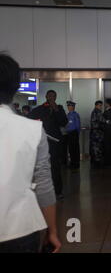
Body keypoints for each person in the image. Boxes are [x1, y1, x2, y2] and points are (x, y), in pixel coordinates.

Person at [0, 54, 61, 253]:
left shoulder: (56, 110)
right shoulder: (32, 129)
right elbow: (44, 183)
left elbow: (64, 122)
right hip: (21, 228)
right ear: (16, 87)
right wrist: (52, 231)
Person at [29, 90, 68, 199]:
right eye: (50, 96)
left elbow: (64, 122)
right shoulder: (40, 109)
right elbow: (30, 119)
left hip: (55, 142)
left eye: (54, 96)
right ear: (46, 96)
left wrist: (56, 110)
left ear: (56, 97)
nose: (51, 97)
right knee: (42, 167)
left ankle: (58, 191)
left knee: (56, 167)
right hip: (43, 142)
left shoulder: (59, 108)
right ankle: (42, 191)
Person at [65, 101, 81, 171]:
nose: (68, 107)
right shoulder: (68, 115)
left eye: (70, 106)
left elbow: (78, 125)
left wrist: (77, 133)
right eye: (68, 106)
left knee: (75, 149)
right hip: (69, 133)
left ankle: (76, 164)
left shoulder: (75, 115)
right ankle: (72, 163)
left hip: (74, 133)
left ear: (73, 107)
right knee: (71, 149)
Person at [90, 100, 104, 167]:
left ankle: (96, 161)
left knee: (96, 147)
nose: (101, 107)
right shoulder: (97, 112)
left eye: (101, 105)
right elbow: (102, 120)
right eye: (100, 105)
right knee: (97, 147)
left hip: (95, 132)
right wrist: (107, 121)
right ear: (96, 105)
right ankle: (97, 162)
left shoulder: (94, 111)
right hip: (97, 132)